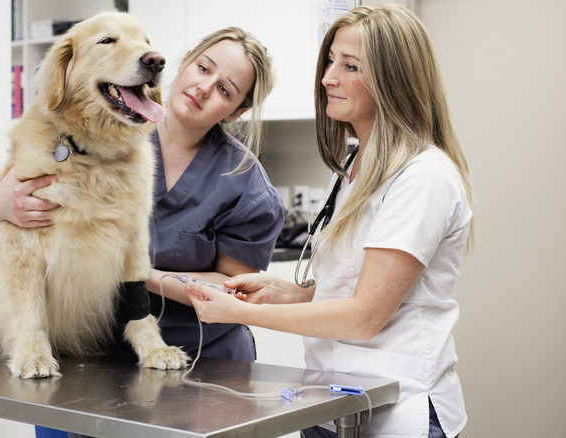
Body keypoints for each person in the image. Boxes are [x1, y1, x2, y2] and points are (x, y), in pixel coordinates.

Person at [0, 26, 284, 438]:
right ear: (184, 60)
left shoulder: (246, 183)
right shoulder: (98, 127)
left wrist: (133, 275)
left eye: (225, 90)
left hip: (200, 366)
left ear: (235, 112)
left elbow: (236, 289)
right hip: (92, 356)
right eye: (203, 67)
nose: (205, 88)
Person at [184, 5, 473, 438]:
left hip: (397, 410)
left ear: (393, 79)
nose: (327, 78)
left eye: (350, 65)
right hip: (330, 401)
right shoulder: (357, 164)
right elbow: (355, 286)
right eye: (331, 60)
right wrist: (290, 294)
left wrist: (239, 312)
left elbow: (364, 317)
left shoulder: (423, 176)